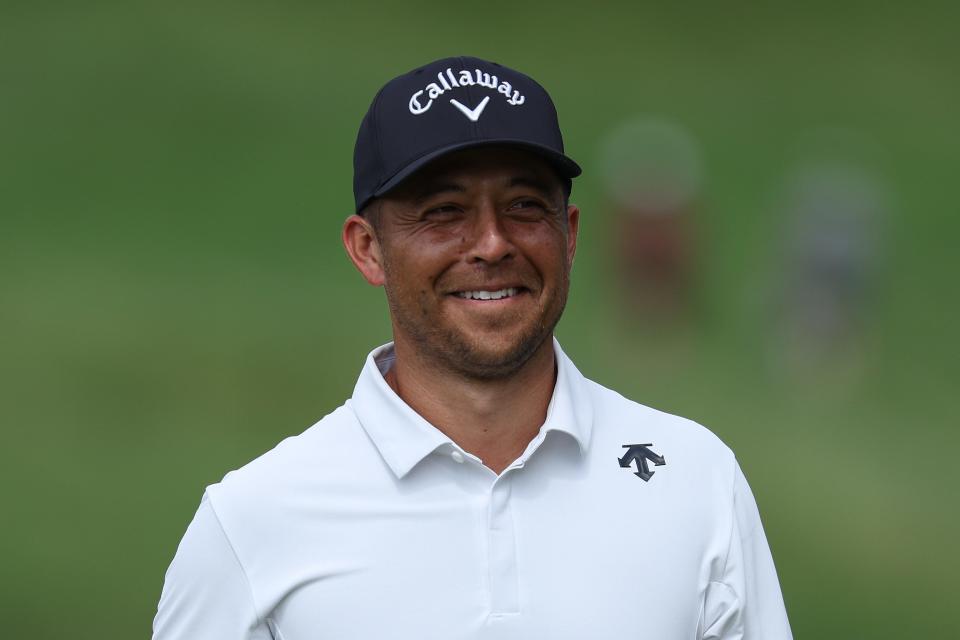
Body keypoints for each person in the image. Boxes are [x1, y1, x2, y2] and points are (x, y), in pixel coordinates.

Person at [153, 56, 793, 640]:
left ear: (568, 235)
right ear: (368, 249)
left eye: (522, 205)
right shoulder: (254, 521)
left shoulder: (695, 480)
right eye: (443, 212)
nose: (491, 243)